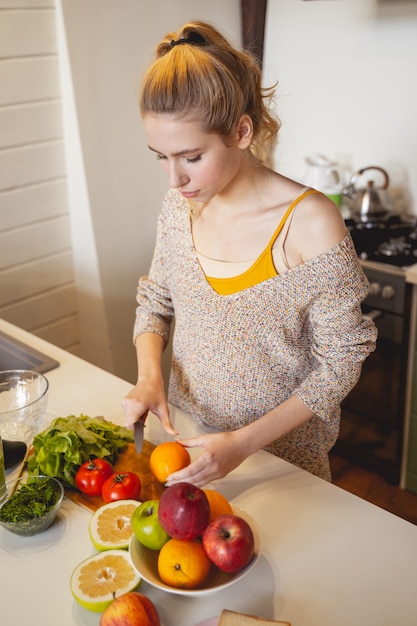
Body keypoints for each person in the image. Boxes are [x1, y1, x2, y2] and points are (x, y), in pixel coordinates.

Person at [122, 21, 377, 487]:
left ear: (241, 131)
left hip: (281, 465)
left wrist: (242, 443)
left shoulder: (310, 221)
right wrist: (148, 377)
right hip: (187, 449)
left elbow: (342, 361)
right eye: (160, 155)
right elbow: (156, 300)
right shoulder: (178, 208)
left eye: (191, 157)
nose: (173, 179)